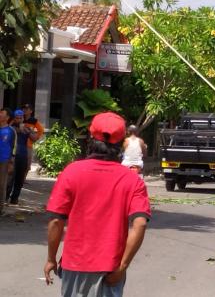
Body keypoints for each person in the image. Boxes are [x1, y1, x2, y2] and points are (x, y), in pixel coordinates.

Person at [44, 112, 151, 297]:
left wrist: (51, 259)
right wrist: (122, 266)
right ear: (120, 143)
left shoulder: (71, 172)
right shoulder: (133, 181)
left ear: (91, 137)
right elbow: (139, 224)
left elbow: (56, 220)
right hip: (110, 268)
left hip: (75, 264)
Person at [6, 110, 38, 205]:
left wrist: (29, 131)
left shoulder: (26, 128)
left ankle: (14, 198)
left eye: (21, 118)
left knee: (20, 179)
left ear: (23, 118)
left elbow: (35, 138)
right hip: (13, 156)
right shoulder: (10, 128)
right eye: (17, 118)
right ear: (14, 118)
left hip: (23, 155)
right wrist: (18, 129)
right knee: (10, 178)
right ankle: (5, 197)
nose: (19, 119)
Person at [22, 104, 44, 179]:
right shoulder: (19, 118)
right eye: (24, 109)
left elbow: (41, 130)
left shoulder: (33, 121)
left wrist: (36, 137)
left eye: (27, 109)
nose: (25, 110)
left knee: (27, 164)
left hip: (28, 145)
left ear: (31, 111)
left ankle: (23, 179)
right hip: (19, 144)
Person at [0, 108, 15, 213]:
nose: (0, 115)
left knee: (1, 184)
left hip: (4, 160)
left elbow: (14, 147)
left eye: (2, 113)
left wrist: (11, 162)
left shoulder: (11, 131)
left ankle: (0, 207)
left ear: (7, 117)